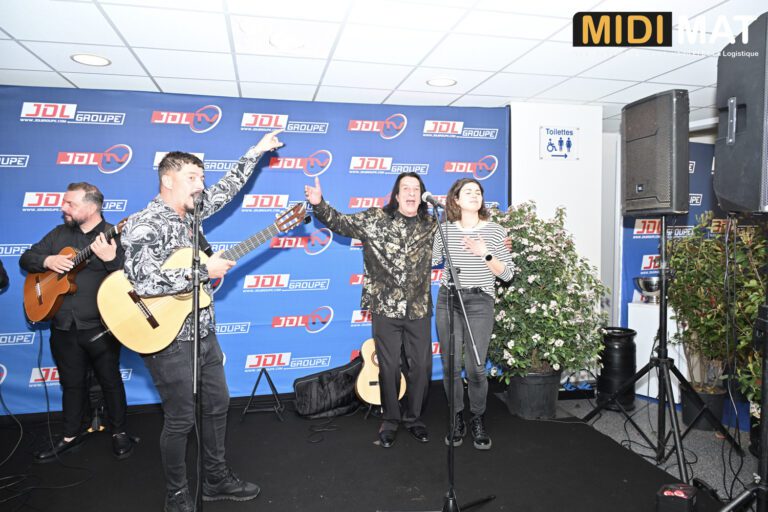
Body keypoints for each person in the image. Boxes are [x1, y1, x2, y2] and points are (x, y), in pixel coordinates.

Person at [120, 130, 283, 512]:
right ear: (168, 180)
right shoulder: (145, 223)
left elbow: (229, 187)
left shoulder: (192, 215)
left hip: (204, 332)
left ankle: (215, 478)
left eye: (202, 177)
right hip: (167, 339)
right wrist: (201, 272)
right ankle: (177, 495)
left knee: (217, 405)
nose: (201, 184)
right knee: (180, 419)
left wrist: (257, 151)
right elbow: (142, 281)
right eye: (192, 177)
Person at [304, 172, 437, 448]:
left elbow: (461, 237)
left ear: (421, 195)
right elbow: (341, 223)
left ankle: (413, 418)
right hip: (385, 306)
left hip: (419, 308)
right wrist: (319, 204)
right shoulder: (375, 218)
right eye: (406, 188)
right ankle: (390, 419)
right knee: (388, 366)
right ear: (397, 195)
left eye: (416, 188)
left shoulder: (431, 225)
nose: (411, 193)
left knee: (422, 367)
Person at [19, 182, 132, 462]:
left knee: (110, 381)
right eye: (64, 202)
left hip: (100, 327)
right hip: (63, 326)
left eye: (71, 204)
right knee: (71, 384)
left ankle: (119, 432)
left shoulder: (114, 235)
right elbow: (26, 258)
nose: (63, 208)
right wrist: (47, 261)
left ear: (92, 207)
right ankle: (70, 434)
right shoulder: (59, 234)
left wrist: (112, 260)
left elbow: (129, 280)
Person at [432, 178, 514, 450]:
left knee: (476, 367)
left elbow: (507, 274)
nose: (474, 195)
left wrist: (485, 253)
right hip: (448, 299)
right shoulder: (444, 229)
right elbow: (432, 260)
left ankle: (477, 417)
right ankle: (456, 417)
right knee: (451, 366)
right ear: (455, 199)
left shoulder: (495, 231)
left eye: (478, 192)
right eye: (468, 192)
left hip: (480, 301)